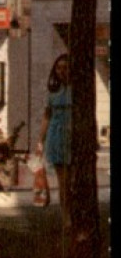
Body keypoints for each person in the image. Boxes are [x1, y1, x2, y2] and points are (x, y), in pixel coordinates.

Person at [37, 55, 73, 231]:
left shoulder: (79, 90)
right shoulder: (52, 93)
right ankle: (66, 217)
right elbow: (46, 116)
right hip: (57, 136)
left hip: (75, 137)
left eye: (66, 67)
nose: (62, 71)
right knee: (64, 182)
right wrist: (40, 140)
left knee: (76, 181)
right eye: (59, 68)